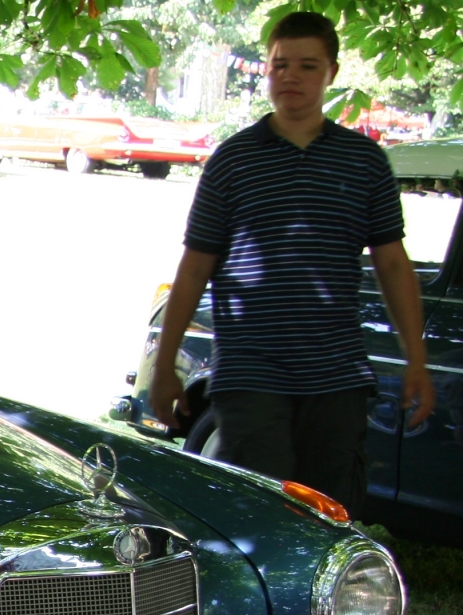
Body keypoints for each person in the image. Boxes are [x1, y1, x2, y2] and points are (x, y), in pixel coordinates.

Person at [149, 11, 433, 518]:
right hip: (250, 371)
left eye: (306, 66)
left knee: (328, 514)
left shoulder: (364, 161)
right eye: (280, 65)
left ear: (332, 73)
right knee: (262, 511)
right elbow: (196, 265)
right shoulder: (233, 159)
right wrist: (166, 364)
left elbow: (392, 263)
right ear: (266, 69)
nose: (291, 77)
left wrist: (416, 359)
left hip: (336, 375)